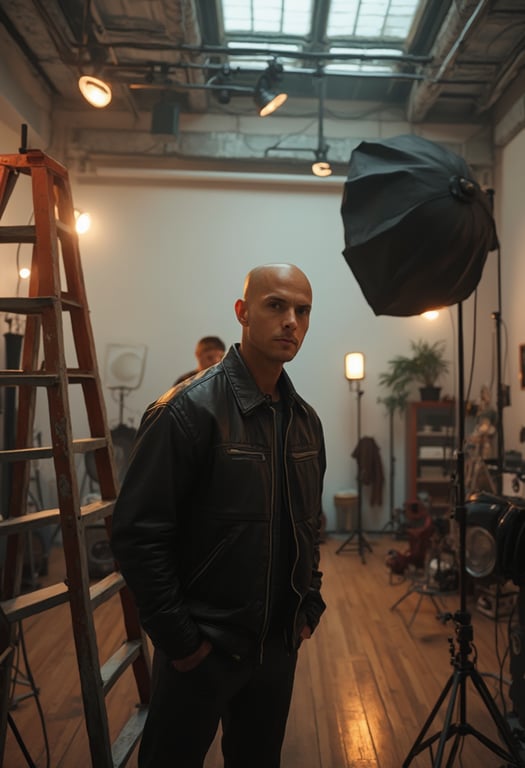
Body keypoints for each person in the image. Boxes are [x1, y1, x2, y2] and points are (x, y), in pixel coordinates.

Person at [110, 263, 326, 768]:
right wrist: (182, 642)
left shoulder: (305, 421)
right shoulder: (186, 410)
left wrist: (308, 605)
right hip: (203, 649)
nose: (291, 321)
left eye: (302, 310)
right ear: (242, 312)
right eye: (276, 305)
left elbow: (309, 526)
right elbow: (137, 535)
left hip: (276, 647)